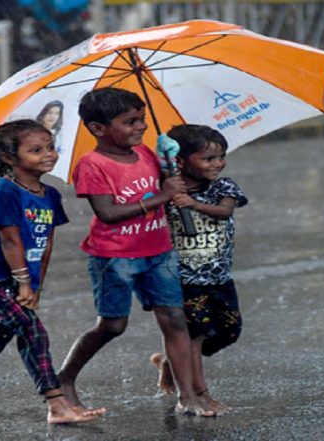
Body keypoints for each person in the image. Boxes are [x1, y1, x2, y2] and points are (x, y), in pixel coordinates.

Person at [56, 87, 215, 417]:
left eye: (142, 119)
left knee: (175, 320)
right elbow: (108, 213)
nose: (141, 126)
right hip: (115, 257)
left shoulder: (144, 153)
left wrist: (171, 163)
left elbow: (172, 185)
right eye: (130, 122)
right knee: (113, 326)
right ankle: (64, 379)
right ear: (98, 128)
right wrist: (162, 196)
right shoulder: (92, 165)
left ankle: (187, 395)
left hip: (160, 250)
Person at [0, 119, 104, 423]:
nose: (49, 154)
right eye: (36, 150)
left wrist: (37, 284)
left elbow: (46, 243)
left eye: (51, 147)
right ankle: (56, 404)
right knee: (32, 330)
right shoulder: (5, 191)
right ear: (9, 158)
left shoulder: (50, 194)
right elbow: (9, 238)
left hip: (25, 279)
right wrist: (23, 283)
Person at [150, 124, 248, 415]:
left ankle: (170, 361)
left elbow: (224, 211)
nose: (217, 164)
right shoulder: (167, 188)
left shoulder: (224, 187)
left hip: (219, 277)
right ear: (180, 161)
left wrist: (191, 204)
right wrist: (169, 193)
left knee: (230, 330)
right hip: (185, 278)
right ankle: (197, 393)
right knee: (194, 335)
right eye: (208, 158)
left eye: (221, 156)